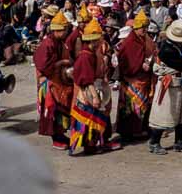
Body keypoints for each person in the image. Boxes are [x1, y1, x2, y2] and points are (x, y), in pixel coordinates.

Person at [69, 18, 120, 154]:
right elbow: (86, 79)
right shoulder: (85, 56)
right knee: (89, 118)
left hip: (97, 87)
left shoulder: (93, 53)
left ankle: (100, 142)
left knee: (98, 116)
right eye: (97, 40)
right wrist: (95, 97)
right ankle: (90, 146)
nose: (99, 42)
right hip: (89, 91)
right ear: (91, 40)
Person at [148, 20, 182, 155]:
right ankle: (154, 143)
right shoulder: (166, 50)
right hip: (169, 85)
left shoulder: (179, 47)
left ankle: (180, 142)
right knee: (163, 114)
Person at [33, 11, 74, 150]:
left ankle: (61, 135)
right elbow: (43, 65)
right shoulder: (48, 43)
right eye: (64, 30)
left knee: (62, 109)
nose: (66, 32)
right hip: (50, 82)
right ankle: (56, 138)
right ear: (56, 30)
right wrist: (60, 63)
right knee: (53, 111)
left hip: (60, 81)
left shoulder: (60, 42)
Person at [115, 9, 157, 141]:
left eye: (145, 27)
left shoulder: (147, 40)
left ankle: (141, 128)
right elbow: (125, 61)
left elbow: (153, 53)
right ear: (135, 28)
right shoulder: (129, 42)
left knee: (143, 106)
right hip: (132, 80)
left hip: (144, 80)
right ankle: (129, 131)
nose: (144, 30)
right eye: (141, 28)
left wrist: (150, 64)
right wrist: (140, 66)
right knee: (130, 107)